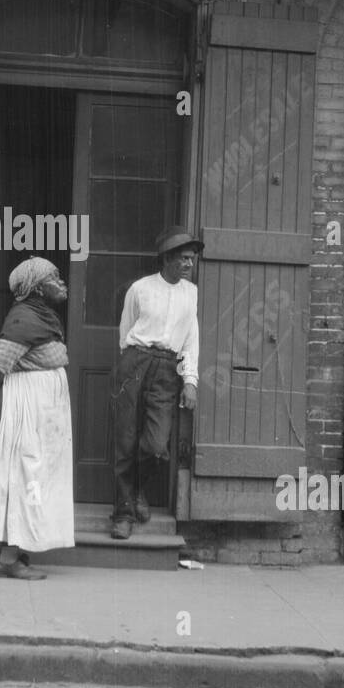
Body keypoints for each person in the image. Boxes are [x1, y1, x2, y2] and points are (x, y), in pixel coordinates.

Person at [0, 258, 75, 580]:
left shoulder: (38, 316)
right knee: (27, 475)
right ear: (38, 288)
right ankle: (9, 559)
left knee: (19, 474)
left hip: (38, 406)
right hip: (28, 407)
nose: (61, 281)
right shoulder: (25, 318)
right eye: (54, 278)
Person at [110, 226, 200, 539]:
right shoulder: (141, 289)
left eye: (191, 259)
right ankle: (122, 514)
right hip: (136, 361)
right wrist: (131, 364)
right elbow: (125, 332)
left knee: (156, 444)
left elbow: (191, 339)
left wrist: (190, 380)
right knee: (125, 441)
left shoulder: (191, 293)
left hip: (167, 371)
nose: (189, 264)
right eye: (183, 259)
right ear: (166, 259)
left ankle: (136, 491)